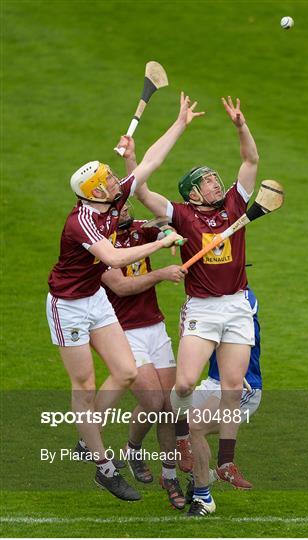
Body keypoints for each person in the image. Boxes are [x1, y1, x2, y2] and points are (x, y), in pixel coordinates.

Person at [46, 93, 203, 501]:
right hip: (68, 306)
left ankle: (87, 436)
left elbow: (150, 161)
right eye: (109, 181)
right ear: (95, 192)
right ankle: (103, 466)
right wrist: (157, 247)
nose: (118, 181)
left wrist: (181, 122)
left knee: (128, 373)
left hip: (94, 300)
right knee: (84, 383)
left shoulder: (112, 199)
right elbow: (113, 258)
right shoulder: (81, 223)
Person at [132, 96, 260, 516]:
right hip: (203, 310)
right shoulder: (182, 215)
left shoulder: (235, 206)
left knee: (233, 389)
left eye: (215, 179)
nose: (215, 183)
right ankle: (185, 431)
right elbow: (143, 191)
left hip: (237, 307)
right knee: (184, 384)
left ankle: (204, 478)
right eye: (206, 181)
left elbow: (251, 162)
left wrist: (241, 126)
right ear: (191, 191)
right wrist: (136, 158)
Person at [101, 202, 187, 510]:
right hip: (123, 332)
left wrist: (167, 230)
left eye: (125, 205)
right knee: (152, 401)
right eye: (117, 207)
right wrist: (162, 273)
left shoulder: (137, 229)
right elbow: (122, 287)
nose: (124, 210)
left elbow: (162, 222)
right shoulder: (99, 243)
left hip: (155, 328)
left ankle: (170, 475)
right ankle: (133, 449)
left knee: (169, 406)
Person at [184, 286, 262, 503]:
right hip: (212, 383)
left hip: (244, 389)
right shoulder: (201, 298)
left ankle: (206, 486)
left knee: (195, 425)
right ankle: (202, 477)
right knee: (171, 417)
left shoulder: (245, 299)